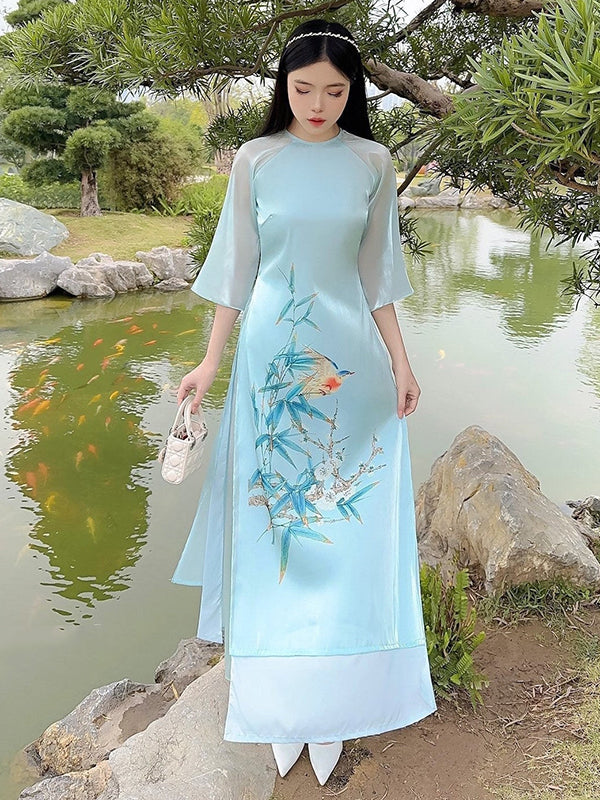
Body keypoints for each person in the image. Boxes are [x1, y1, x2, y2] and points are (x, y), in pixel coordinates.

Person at [172, 17, 437, 787]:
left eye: (335, 91)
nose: (318, 104)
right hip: (272, 370)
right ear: (282, 88)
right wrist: (210, 361)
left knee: (346, 535)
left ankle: (337, 706)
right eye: (303, 88)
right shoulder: (256, 160)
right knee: (275, 531)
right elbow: (236, 269)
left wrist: (402, 363)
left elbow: (379, 275)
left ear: (353, 94)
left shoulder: (372, 162)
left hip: (351, 370)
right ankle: (278, 705)